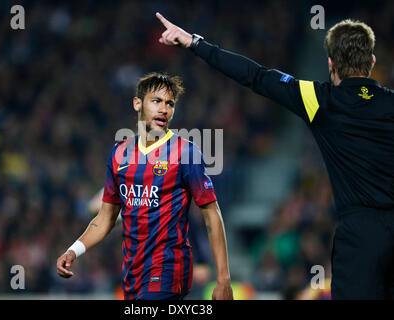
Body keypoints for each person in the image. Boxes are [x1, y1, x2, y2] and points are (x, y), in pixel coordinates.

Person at [155, 13, 394, 299]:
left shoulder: (318, 99)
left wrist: (195, 43)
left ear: (331, 65)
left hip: (359, 239)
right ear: (372, 64)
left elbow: (255, 76)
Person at [56, 72, 234, 300]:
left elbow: (211, 214)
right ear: (137, 103)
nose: (164, 109)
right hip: (132, 273)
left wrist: (223, 278)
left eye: (170, 104)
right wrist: (73, 250)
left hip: (169, 268)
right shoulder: (119, 154)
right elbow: (105, 218)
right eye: (156, 101)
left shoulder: (185, 153)